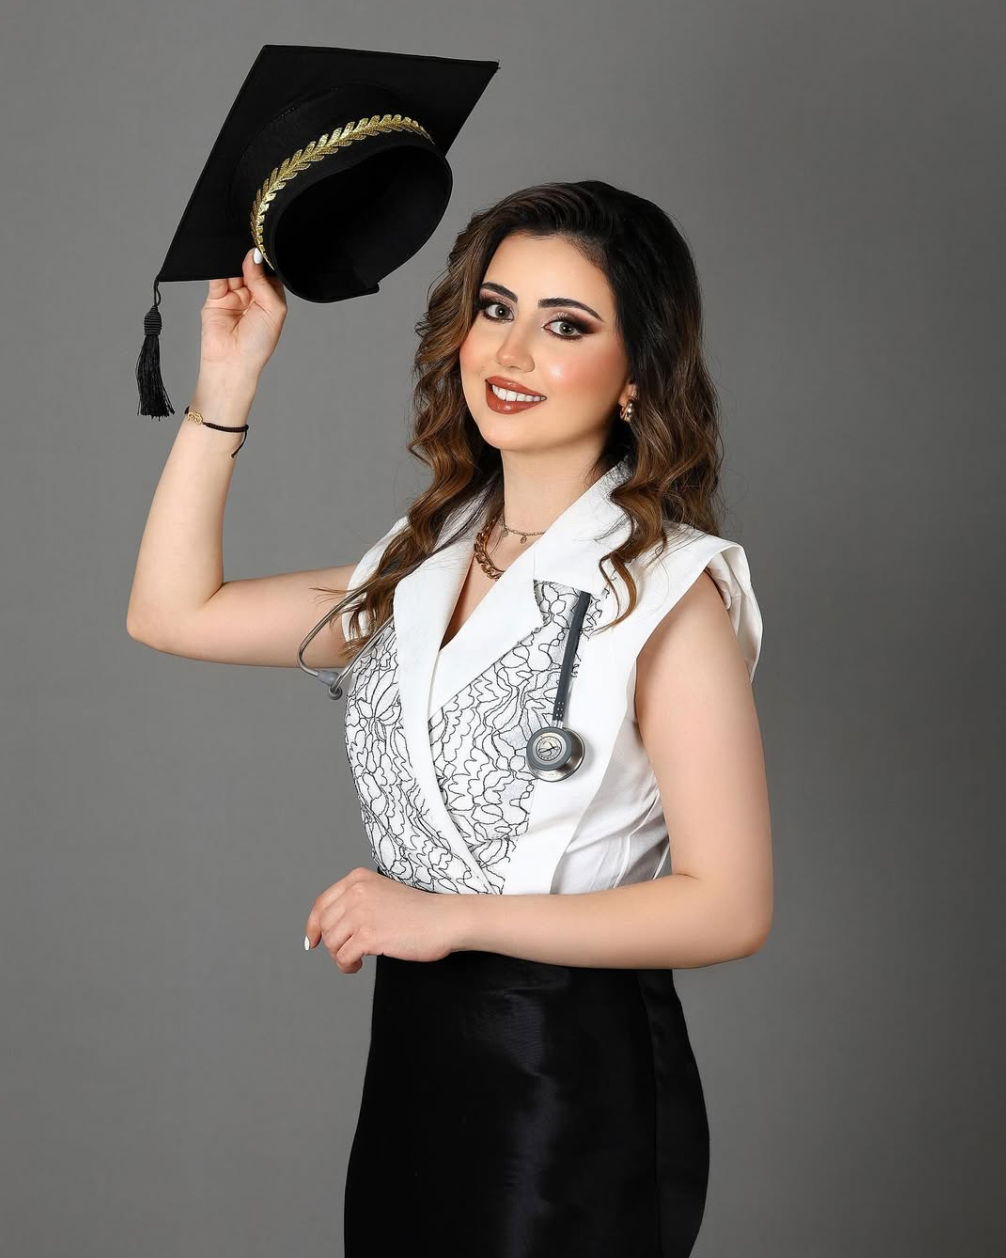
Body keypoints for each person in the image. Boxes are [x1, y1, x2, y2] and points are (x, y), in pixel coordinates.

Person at [127, 178, 773, 1257]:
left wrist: (448, 918)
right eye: (495, 308)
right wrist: (226, 387)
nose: (510, 352)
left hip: (568, 1077)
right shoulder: (422, 559)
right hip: (418, 1061)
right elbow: (170, 613)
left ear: (635, 374)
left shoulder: (669, 592)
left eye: (565, 325)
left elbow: (729, 908)